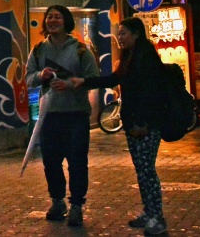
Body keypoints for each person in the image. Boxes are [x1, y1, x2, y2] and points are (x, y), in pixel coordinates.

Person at [62, 17, 168, 235]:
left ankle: (157, 217)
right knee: (141, 170)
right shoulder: (129, 57)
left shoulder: (146, 58)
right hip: (132, 123)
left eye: (124, 33)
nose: (119, 38)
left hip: (146, 125)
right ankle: (148, 212)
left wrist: (144, 123)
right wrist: (84, 81)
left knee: (148, 170)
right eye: (119, 33)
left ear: (137, 34)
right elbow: (112, 80)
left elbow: (152, 94)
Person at [25, 5, 99, 226]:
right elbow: (28, 79)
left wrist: (69, 84)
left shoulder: (81, 50)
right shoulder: (38, 50)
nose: (52, 21)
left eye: (57, 17)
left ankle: (77, 205)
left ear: (66, 21)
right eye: (49, 17)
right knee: (51, 162)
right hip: (49, 116)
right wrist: (41, 74)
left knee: (77, 162)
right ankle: (57, 201)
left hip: (76, 115)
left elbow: (93, 79)